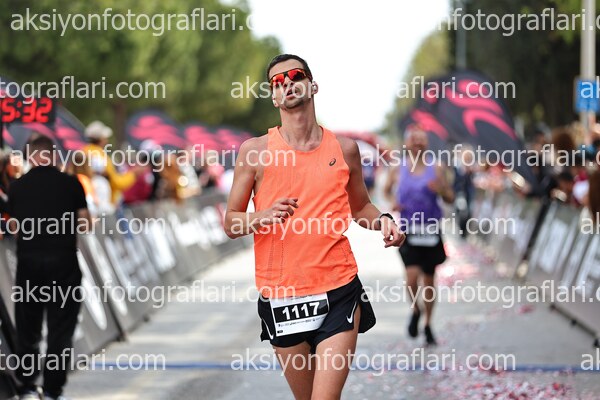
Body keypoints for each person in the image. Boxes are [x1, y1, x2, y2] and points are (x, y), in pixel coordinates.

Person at [223, 54, 405, 400]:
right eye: (277, 82)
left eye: (295, 76)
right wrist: (262, 216)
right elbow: (231, 221)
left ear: (312, 85)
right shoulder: (255, 152)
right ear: (274, 97)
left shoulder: (345, 149)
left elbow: (360, 207)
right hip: (283, 296)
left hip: (339, 289)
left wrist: (383, 220)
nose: (287, 84)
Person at [7, 135, 92, 400]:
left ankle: (27, 386)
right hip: (63, 263)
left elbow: (14, 228)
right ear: (53, 155)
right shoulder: (71, 183)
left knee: (28, 327)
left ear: (30, 157)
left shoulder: (17, 187)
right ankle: (53, 390)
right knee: (61, 328)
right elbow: (84, 223)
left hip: (29, 263)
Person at [384, 127, 455, 346]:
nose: (418, 143)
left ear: (427, 143)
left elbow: (450, 197)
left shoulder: (437, 167)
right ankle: (416, 309)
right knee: (412, 277)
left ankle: (428, 324)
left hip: (431, 229)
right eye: (414, 139)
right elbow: (386, 190)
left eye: (422, 140)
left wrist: (441, 190)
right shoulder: (398, 168)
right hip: (408, 230)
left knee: (429, 280)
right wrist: (393, 202)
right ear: (407, 143)